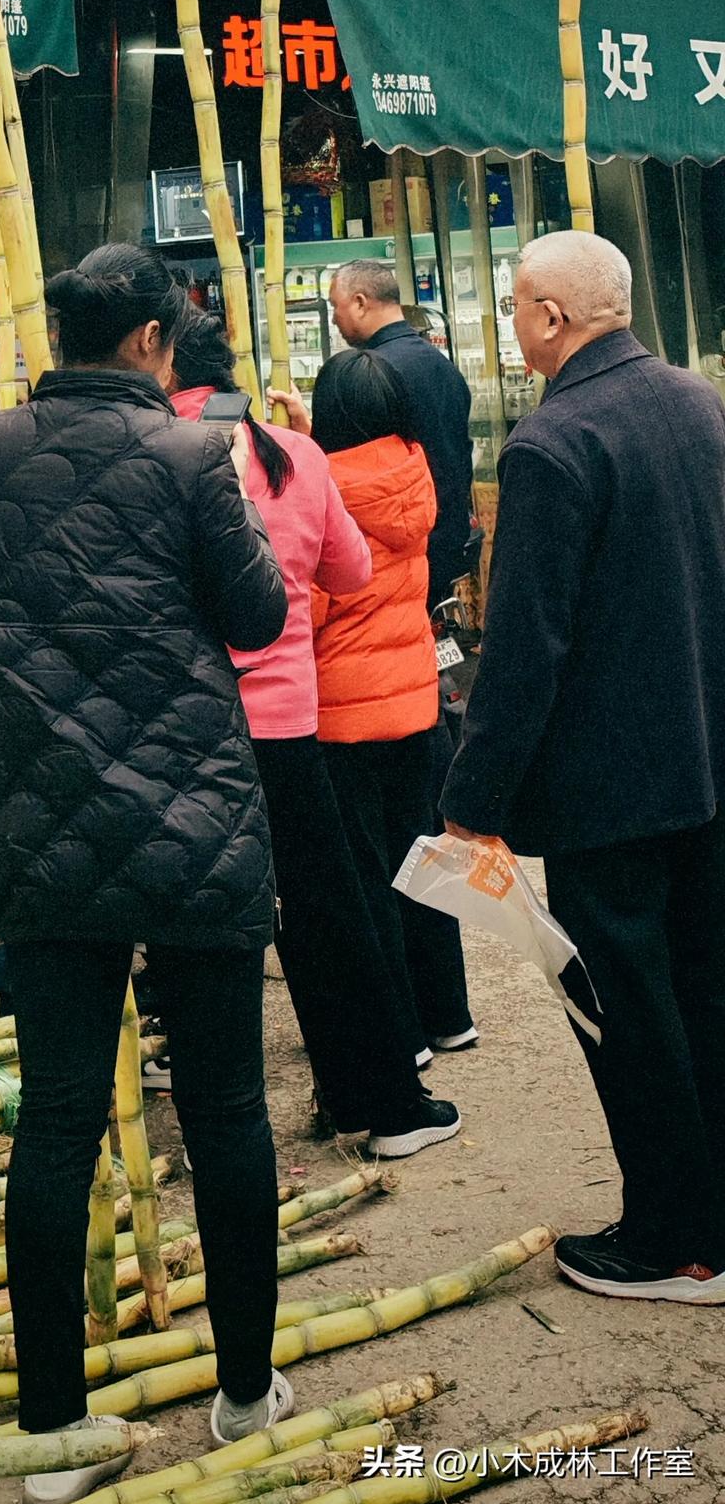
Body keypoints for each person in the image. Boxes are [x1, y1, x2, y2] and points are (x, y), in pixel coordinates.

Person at [0, 244, 291, 1504]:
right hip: (194, 817)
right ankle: (243, 1391)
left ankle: (53, 1437)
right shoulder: (196, 455)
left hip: (37, 822)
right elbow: (253, 619)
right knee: (229, 1109)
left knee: (58, 1114)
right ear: (146, 340)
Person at [444, 231, 725, 1304]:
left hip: (611, 786)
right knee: (701, 992)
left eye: (513, 305)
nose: (508, 325)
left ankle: (672, 1240)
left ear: (551, 318)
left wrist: (471, 801)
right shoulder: (695, 403)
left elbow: (524, 652)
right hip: (703, 760)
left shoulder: (550, 442)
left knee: (625, 1009)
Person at [171, 309, 460, 1159]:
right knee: (327, 913)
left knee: (201, 922)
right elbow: (351, 569)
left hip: (185, 729)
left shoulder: (144, 456)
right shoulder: (292, 455)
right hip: (290, 721)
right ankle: (384, 1104)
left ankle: (213, 1129)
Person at [309, 345, 475, 1062]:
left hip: (343, 716)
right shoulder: (414, 470)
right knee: (424, 864)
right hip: (414, 704)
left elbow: (308, 607)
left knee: (367, 880)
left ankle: (401, 1037)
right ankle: (449, 1013)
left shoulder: (318, 488)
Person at [328, 261, 475, 613]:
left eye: (336, 306)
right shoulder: (443, 366)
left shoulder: (369, 376)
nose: (333, 318)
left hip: (396, 553)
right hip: (450, 536)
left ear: (361, 303)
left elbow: (357, 479)